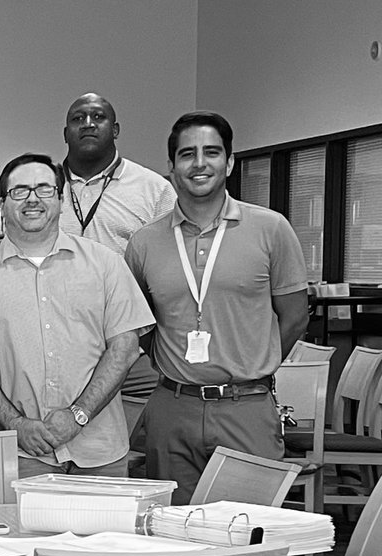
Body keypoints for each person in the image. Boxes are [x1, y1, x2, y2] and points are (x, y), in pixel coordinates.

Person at [125, 112, 309, 503]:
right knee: (171, 534)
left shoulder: (271, 229)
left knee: (249, 533)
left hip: (247, 406)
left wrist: (253, 362)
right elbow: (140, 324)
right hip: (172, 408)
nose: (199, 163)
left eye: (211, 152)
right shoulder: (144, 243)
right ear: (171, 167)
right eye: (187, 154)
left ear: (229, 162)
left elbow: (294, 316)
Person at [0, 154, 154, 479]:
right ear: (2, 204)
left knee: (107, 533)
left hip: (100, 453)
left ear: (60, 199)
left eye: (44, 189)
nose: (32, 199)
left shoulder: (106, 265)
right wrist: (15, 423)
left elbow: (125, 348)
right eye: (20, 191)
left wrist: (79, 415)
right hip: (15, 455)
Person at [59, 93, 176, 255]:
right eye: (78, 118)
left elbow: (170, 258)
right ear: (65, 134)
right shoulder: (41, 187)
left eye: (98, 117)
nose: (88, 124)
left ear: (115, 130)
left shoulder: (155, 189)